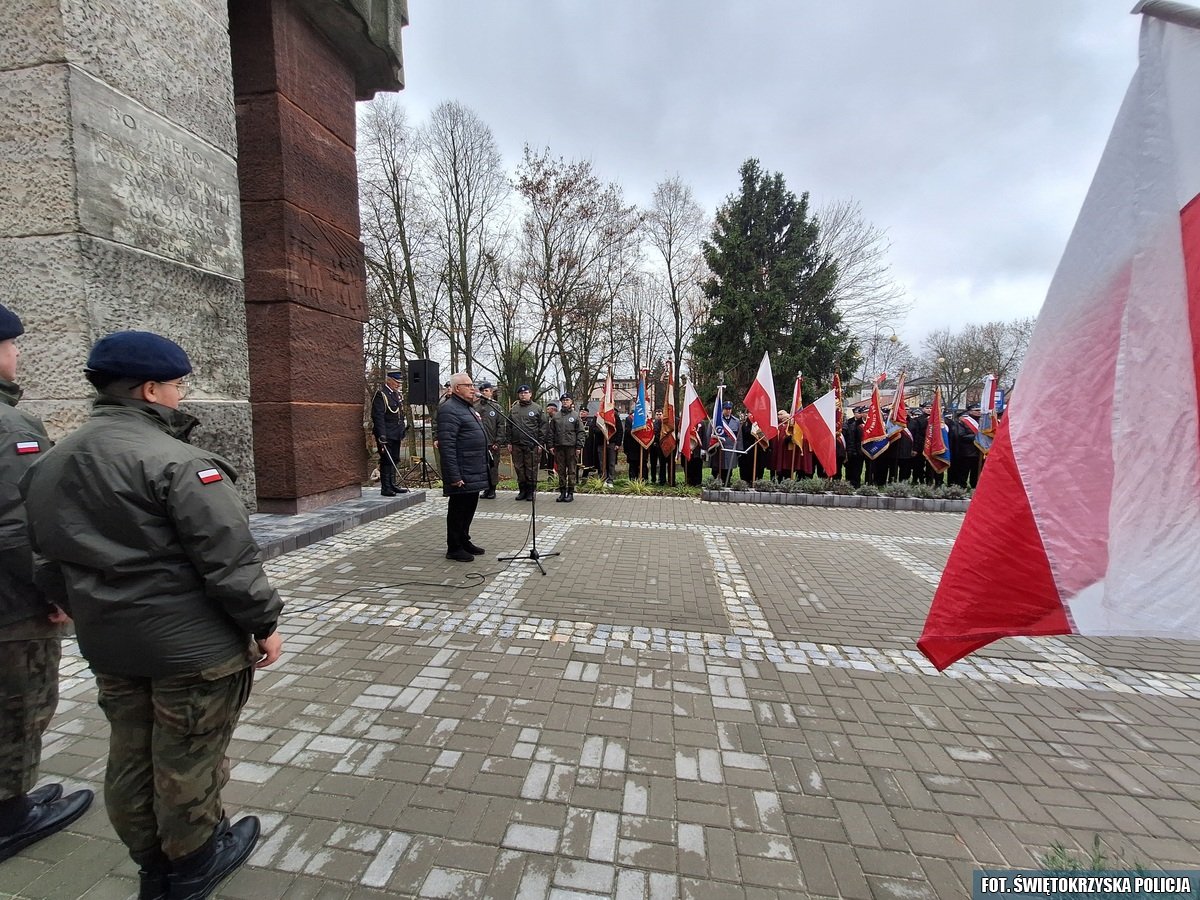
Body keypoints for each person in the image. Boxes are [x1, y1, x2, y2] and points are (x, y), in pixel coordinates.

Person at [21, 330, 284, 900]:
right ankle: (191, 866)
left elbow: (43, 556)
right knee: (187, 758)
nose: (180, 394)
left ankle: (151, 865)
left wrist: (82, 608)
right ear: (149, 389)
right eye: (177, 385)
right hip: (193, 651)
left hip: (111, 644)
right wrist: (264, 623)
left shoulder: (51, 461)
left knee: (131, 756)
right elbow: (229, 561)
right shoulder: (181, 462)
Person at [0, 304, 94, 865]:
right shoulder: (12, 427)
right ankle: (10, 817)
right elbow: (20, 527)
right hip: (10, 607)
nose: (16, 356)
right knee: (18, 705)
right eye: (11, 346)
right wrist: (56, 591)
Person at [438, 373, 489, 561]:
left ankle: (464, 540)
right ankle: (454, 547)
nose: (472, 388)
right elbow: (447, 445)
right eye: (468, 385)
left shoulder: (467, 407)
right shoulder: (449, 409)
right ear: (457, 388)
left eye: (472, 385)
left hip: (473, 467)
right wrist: (454, 475)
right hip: (461, 469)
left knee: (469, 507)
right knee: (458, 509)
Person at [370, 370, 408, 496]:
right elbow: (378, 416)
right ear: (389, 380)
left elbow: (400, 415)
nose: (398, 384)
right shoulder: (381, 394)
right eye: (396, 382)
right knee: (386, 459)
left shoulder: (396, 395)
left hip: (396, 433)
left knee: (394, 459)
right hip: (386, 433)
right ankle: (386, 487)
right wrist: (381, 435)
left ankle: (392, 484)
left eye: (399, 382)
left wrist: (402, 430)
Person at [507, 386, 545, 501]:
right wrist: (509, 442)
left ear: (530, 394)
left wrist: (540, 443)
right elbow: (508, 426)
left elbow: (543, 427)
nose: (523, 395)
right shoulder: (514, 409)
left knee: (531, 468)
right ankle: (522, 490)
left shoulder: (537, 408)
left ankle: (530, 491)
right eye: (521, 393)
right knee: (519, 468)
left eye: (525, 393)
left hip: (531, 444)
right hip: (516, 444)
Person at [546, 393, 585, 502]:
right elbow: (551, 432)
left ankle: (570, 492)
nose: (565, 402)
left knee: (571, 471)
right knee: (561, 471)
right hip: (559, 447)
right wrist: (550, 445)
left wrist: (579, 446)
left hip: (571, 447)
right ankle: (562, 492)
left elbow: (581, 432)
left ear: (571, 402)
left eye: (567, 400)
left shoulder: (575, 416)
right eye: (563, 400)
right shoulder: (556, 416)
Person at [475, 381, 503, 499]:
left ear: (491, 392)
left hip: (492, 443)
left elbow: (501, 426)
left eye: (486, 391)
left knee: (493, 467)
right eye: (481, 391)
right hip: (479, 443)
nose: (483, 393)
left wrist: (498, 441)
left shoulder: (496, 407)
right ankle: (485, 489)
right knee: (482, 467)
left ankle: (492, 489)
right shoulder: (475, 407)